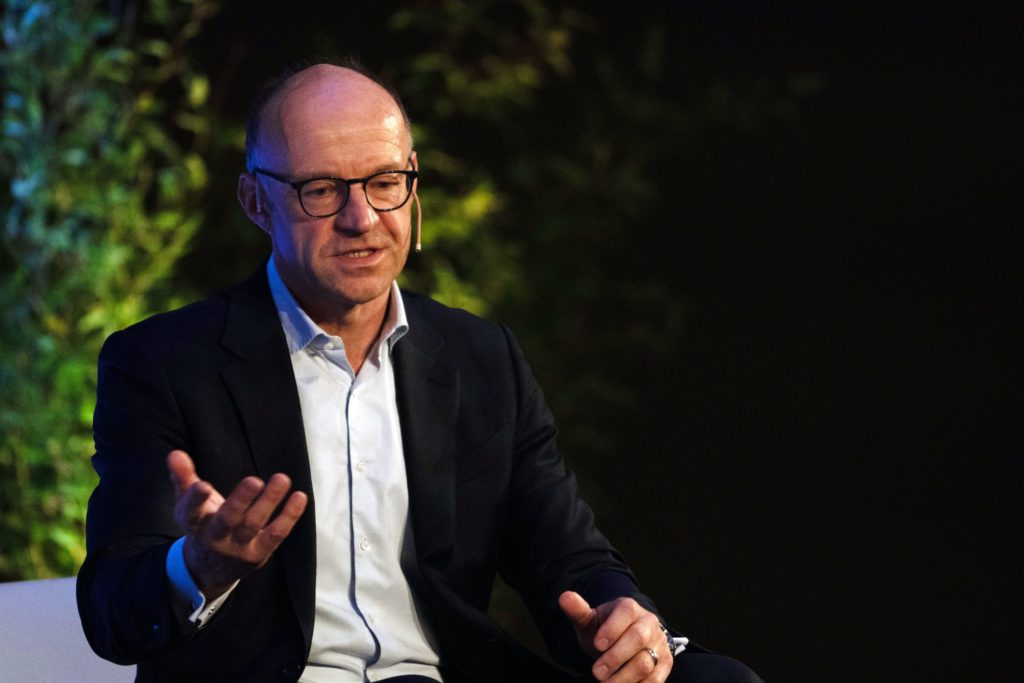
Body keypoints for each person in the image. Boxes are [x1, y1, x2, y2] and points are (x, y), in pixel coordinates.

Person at [77, 62, 762, 683]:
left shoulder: (480, 357)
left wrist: (622, 619)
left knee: (715, 679)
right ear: (256, 201)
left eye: (384, 184)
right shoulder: (165, 362)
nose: (361, 218)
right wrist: (199, 566)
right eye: (322, 190)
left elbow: (568, 557)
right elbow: (112, 611)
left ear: (413, 185)